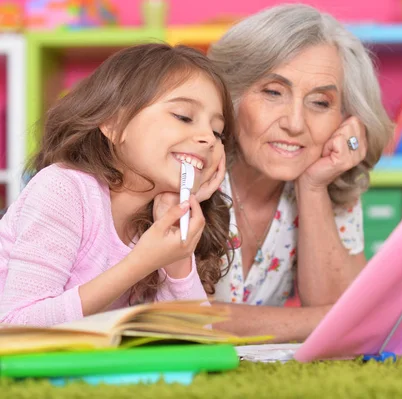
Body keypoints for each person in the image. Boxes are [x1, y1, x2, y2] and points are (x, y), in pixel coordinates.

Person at [0, 43, 234, 326]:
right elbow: (14, 326)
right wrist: (140, 263)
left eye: (217, 131)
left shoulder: (161, 221)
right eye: (183, 116)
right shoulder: (63, 189)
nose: (208, 138)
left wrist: (178, 257)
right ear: (113, 123)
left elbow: (194, 339)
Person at [207, 4, 394, 342]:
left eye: (320, 103)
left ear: (344, 119)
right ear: (231, 95)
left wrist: (312, 187)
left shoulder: (328, 181)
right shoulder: (190, 170)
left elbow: (342, 324)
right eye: (273, 92)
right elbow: (178, 319)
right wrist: (321, 320)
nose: (294, 123)